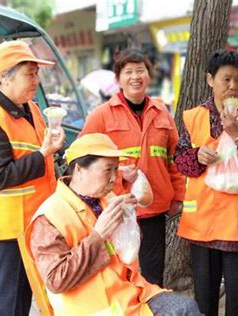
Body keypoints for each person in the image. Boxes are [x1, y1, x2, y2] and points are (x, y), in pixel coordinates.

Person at [26, 133, 200, 315]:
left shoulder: (106, 199)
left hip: (130, 292)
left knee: (186, 307)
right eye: (107, 170)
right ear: (79, 170)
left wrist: (128, 221)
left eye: (116, 170)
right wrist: (98, 235)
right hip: (96, 307)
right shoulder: (49, 217)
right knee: (183, 310)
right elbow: (56, 280)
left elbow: (126, 251)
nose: (113, 178)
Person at [174, 49, 238, 316]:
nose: (233, 86)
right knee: (204, 301)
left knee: (237, 302)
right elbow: (180, 160)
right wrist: (197, 156)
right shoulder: (194, 116)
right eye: (226, 79)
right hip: (202, 226)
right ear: (210, 80)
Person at [0, 40, 65, 315]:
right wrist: (43, 153)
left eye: (37, 73)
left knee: (24, 300)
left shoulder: (32, 109)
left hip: (35, 222)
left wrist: (56, 151)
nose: (36, 80)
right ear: (3, 77)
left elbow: (43, 155)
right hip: (8, 230)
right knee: (6, 304)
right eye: (29, 74)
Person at [79, 49, 185, 287]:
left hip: (154, 210)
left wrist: (178, 196)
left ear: (149, 75)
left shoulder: (162, 114)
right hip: (115, 209)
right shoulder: (101, 115)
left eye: (140, 70)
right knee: (119, 274)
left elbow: (175, 159)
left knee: (151, 276)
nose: (135, 77)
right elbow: (82, 156)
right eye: (128, 72)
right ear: (118, 78)